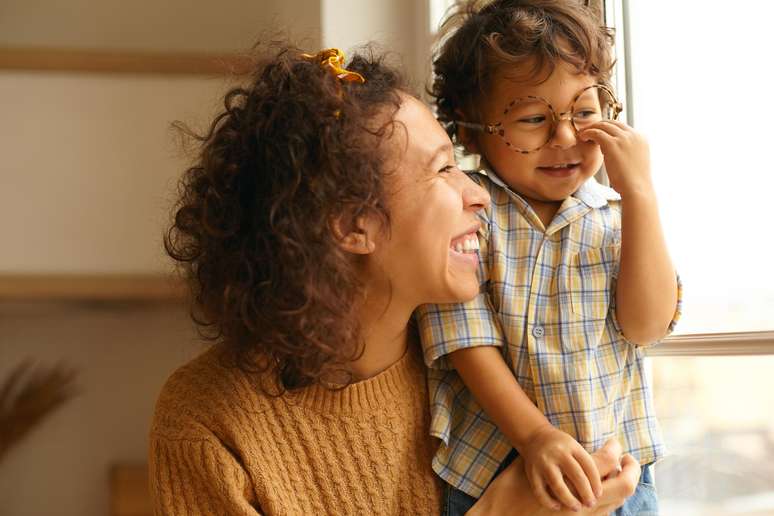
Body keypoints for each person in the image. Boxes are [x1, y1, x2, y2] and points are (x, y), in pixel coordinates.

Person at [149, 44, 641, 515]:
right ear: (353, 225)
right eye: (444, 169)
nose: (479, 195)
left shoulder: (494, 372)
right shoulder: (205, 421)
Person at [414, 1, 682, 515]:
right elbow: (464, 338)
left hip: (616, 472)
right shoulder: (470, 212)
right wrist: (535, 437)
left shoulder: (617, 216)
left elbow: (646, 325)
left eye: (584, 112)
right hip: (495, 470)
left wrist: (641, 195)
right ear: (471, 132)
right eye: (534, 119)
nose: (565, 138)